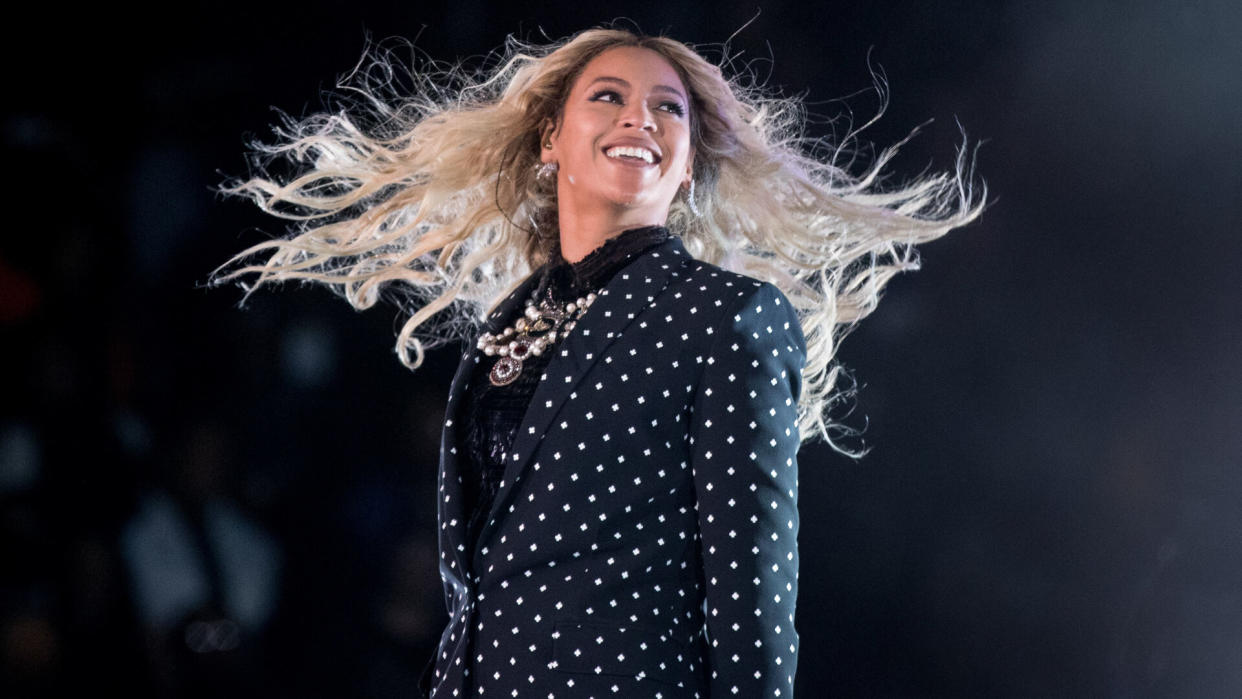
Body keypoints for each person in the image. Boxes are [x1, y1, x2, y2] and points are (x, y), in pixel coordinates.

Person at [214, 27, 981, 698]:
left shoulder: (725, 316)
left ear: (687, 165)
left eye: (667, 107)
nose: (638, 117)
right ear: (550, 139)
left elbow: (753, 600)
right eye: (608, 96)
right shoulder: (506, 328)